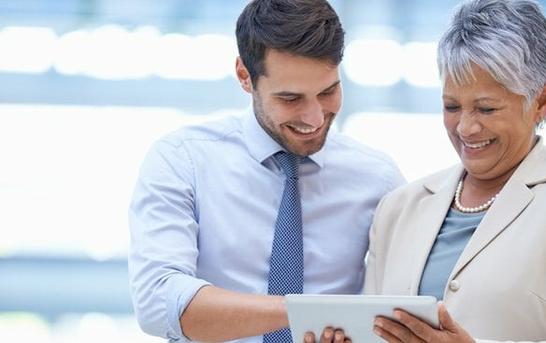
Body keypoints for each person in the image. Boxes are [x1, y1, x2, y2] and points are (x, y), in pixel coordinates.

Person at [310, 0, 546, 342]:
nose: (466, 127)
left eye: (486, 108)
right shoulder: (399, 208)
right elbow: (373, 332)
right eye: (451, 106)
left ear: (541, 101)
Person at [128, 0, 404, 342]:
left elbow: (398, 303)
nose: (315, 118)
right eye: (291, 99)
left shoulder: (378, 178)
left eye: (328, 91)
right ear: (245, 76)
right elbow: (158, 303)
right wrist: (308, 314)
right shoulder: (184, 161)